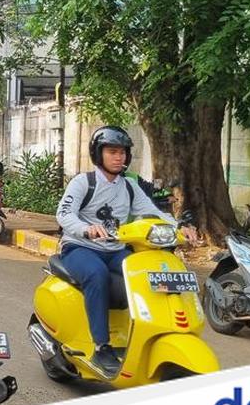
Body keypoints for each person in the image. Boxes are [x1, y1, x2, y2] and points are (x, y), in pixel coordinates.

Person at [55, 125, 176, 377]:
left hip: (114, 248)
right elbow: (64, 214)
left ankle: (147, 335)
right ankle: (102, 347)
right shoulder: (83, 182)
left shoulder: (129, 186)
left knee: (147, 274)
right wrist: (86, 229)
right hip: (80, 247)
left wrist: (182, 228)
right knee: (97, 274)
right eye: (112, 152)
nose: (119, 157)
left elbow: (154, 211)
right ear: (99, 154)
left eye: (122, 152)